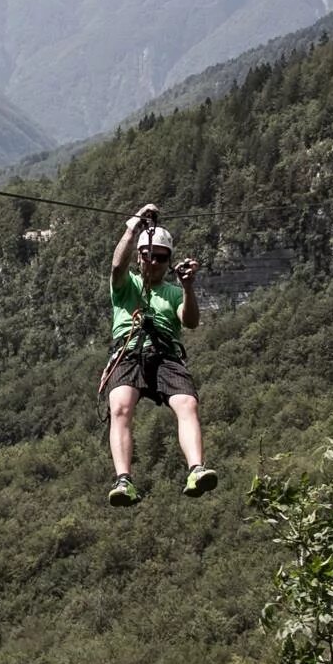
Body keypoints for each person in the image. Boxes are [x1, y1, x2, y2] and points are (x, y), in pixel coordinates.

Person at [102, 202, 217, 506]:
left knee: (187, 403)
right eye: (148, 256)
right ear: (139, 257)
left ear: (168, 261)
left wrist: (189, 287)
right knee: (121, 407)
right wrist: (134, 225)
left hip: (165, 354)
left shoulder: (174, 292)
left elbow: (190, 321)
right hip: (129, 351)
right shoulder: (127, 285)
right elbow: (116, 265)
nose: (153, 262)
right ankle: (124, 480)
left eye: (160, 258)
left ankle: (196, 468)